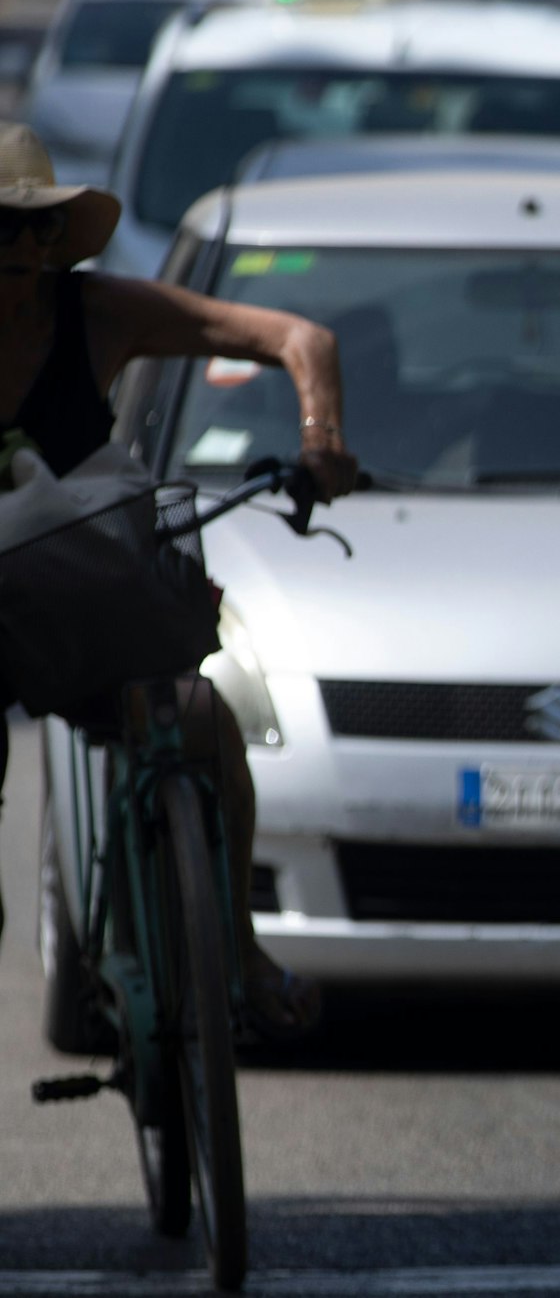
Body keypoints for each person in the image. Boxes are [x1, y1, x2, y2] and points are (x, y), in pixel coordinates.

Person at [0, 121, 357, 1038]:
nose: (25, 249)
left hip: (89, 606)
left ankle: (233, 945)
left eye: (41, 230)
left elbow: (300, 336)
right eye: (5, 228)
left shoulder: (102, 313)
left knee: (203, 718)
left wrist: (320, 445)